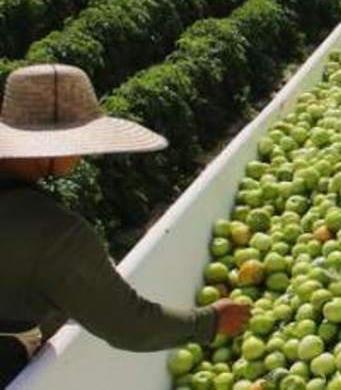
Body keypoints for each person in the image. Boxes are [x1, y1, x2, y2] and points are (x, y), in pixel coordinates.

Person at [0, 64, 251, 387]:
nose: (83, 155)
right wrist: (210, 321)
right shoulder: (52, 232)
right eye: (81, 144)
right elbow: (129, 325)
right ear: (52, 147)